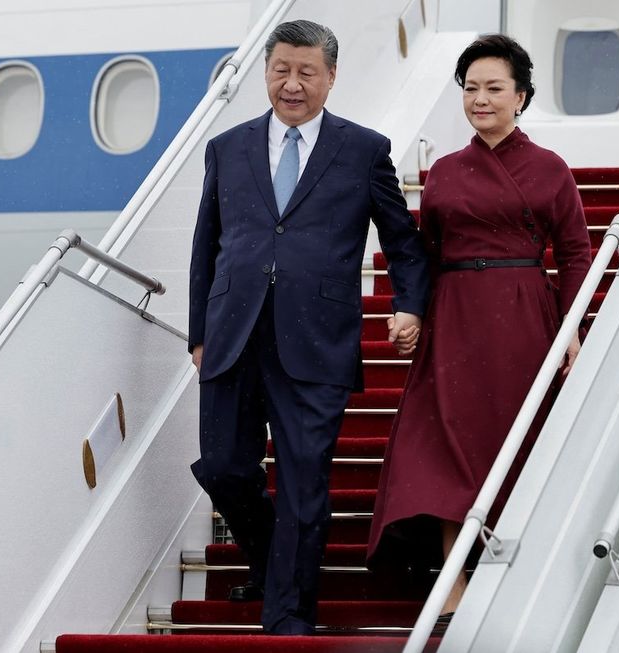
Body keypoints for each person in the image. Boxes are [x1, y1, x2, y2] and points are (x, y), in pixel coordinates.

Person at [187, 19, 429, 636]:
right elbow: (206, 244)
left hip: (317, 337)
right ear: (266, 72)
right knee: (222, 468)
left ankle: (288, 616)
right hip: (232, 333)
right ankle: (275, 567)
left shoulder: (364, 149)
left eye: (306, 73)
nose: (292, 84)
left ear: (330, 76)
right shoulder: (227, 147)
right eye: (281, 71)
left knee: (302, 481)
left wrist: (409, 303)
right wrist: (198, 331)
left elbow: (402, 239)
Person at [366, 34, 592, 619]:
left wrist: (570, 326)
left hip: (522, 314)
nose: (481, 99)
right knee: (446, 442)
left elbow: (574, 254)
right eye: (471, 88)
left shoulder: (550, 169)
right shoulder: (442, 170)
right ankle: (453, 574)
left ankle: (520, 565)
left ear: (521, 97)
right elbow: (425, 251)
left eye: (494, 88)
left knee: (517, 437)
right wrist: (410, 310)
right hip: (456, 315)